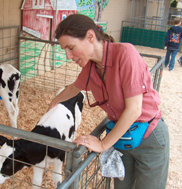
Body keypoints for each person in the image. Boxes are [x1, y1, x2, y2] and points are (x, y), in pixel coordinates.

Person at [48, 14, 170, 189]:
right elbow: (72, 89)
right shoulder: (91, 67)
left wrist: (103, 144)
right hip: (122, 138)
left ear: (90, 37)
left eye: (71, 48)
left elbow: (134, 109)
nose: (68, 56)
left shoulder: (125, 54)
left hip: (149, 138)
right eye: (64, 50)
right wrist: (53, 105)